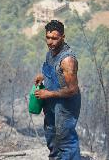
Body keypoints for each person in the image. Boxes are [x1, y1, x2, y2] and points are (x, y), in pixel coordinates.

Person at [34, 20, 81, 160]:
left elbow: (73, 90)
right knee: (51, 137)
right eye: (48, 38)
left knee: (66, 141)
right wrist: (43, 76)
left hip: (66, 105)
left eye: (55, 38)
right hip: (51, 103)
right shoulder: (51, 52)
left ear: (63, 37)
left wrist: (48, 93)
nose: (50, 42)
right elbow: (55, 72)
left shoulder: (68, 60)